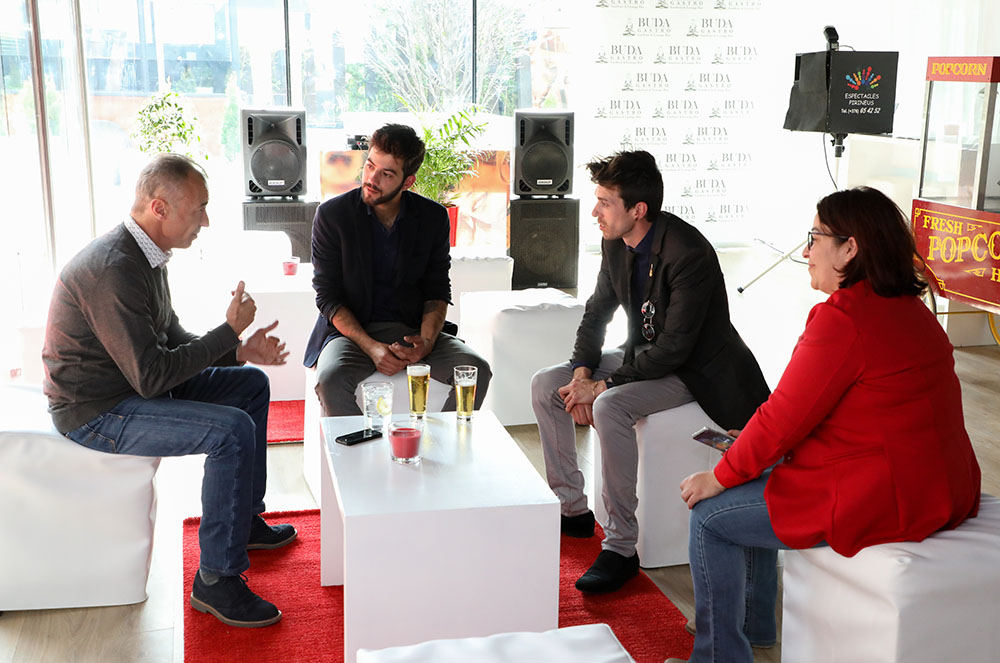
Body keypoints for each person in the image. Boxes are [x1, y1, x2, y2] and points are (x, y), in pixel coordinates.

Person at [670, 187, 982, 663]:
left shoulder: (843, 319)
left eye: (815, 237)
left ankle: (719, 657)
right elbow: (826, 412)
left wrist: (720, 476)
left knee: (710, 516)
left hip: (883, 496)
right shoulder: (911, 310)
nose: (806, 251)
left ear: (849, 248)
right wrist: (748, 452)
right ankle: (753, 630)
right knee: (750, 473)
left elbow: (783, 418)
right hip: (943, 486)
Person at [42, 154, 295, 628]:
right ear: (159, 208)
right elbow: (153, 377)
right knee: (230, 431)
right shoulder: (115, 268)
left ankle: (243, 522)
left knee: (251, 386)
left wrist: (239, 350)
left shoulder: (146, 256)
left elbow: (171, 337)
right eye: (198, 209)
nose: (205, 221)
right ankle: (216, 579)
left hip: (129, 387)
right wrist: (227, 331)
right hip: (96, 409)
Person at [530, 150, 770, 594]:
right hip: (643, 355)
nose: (595, 212)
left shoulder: (688, 253)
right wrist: (581, 375)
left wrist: (600, 387)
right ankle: (572, 510)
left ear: (638, 209)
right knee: (547, 384)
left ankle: (621, 547)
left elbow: (675, 349)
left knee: (610, 404)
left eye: (605, 203)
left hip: (696, 370)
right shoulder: (614, 241)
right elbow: (597, 313)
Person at [305, 123, 491, 415]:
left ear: (407, 182)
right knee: (331, 379)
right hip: (351, 335)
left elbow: (437, 289)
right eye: (370, 166)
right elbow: (328, 297)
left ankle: (440, 442)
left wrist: (426, 342)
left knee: (476, 370)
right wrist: (371, 347)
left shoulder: (433, 218)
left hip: (412, 329)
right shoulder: (332, 215)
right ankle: (355, 445)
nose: (372, 179)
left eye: (387, 174)